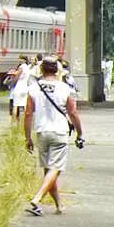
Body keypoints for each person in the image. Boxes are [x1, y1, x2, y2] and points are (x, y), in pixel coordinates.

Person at [24, 55, 84, 216]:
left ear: (41, 69)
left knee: (48, 171)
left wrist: (27, 137)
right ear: (57, 70)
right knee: (55, 169)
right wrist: (80, 133)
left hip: (42, 132)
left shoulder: (33, 88)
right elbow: (73, 112)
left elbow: (28, 113)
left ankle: (59, 205)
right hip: (59, 132)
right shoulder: (65, 88)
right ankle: (37, 199)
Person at [9, 55, 31, 121]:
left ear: (23, 60)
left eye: (20, 59)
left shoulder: (21, 67)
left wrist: (12, 83)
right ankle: (24, 121)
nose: (18, 60)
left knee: (15, 105)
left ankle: (13, 121)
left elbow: (17, 77)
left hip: (19, 87)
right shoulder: (27, 67)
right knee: (24, 106)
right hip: (25, 87)